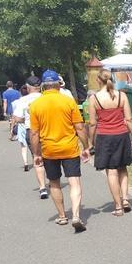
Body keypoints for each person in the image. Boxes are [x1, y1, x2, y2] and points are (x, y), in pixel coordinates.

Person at [30, 70, 91, 230]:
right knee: (74, 181)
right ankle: (76, 215)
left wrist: (36, 153)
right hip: (69, 147)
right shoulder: (68, 101)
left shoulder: (36, 105)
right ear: (58, 84)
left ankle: (62, 216)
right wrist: (86, 147)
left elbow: (34, 133)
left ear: (43, 86)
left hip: (49, 150)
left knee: (54, 183)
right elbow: (79, 127)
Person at [88, 70, 132, 216]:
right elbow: (129, 119)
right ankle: (126, 200)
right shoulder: (121, 96)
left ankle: (118, 206)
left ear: (98, 80)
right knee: (122, 168)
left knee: (111, 172)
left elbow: (92, 124)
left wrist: (90, 143)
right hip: (121, 135)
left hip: (104, 137)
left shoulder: (94, 99)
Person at [13, 77, 49, 198]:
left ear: (28, 87)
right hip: (47, 130)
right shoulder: (45, 97)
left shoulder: (23, 100)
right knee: (50, 156)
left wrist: (25, 119)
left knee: (37, 157)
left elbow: (17, 118)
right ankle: (54, 181)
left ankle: (42, 187)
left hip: (31, 130)